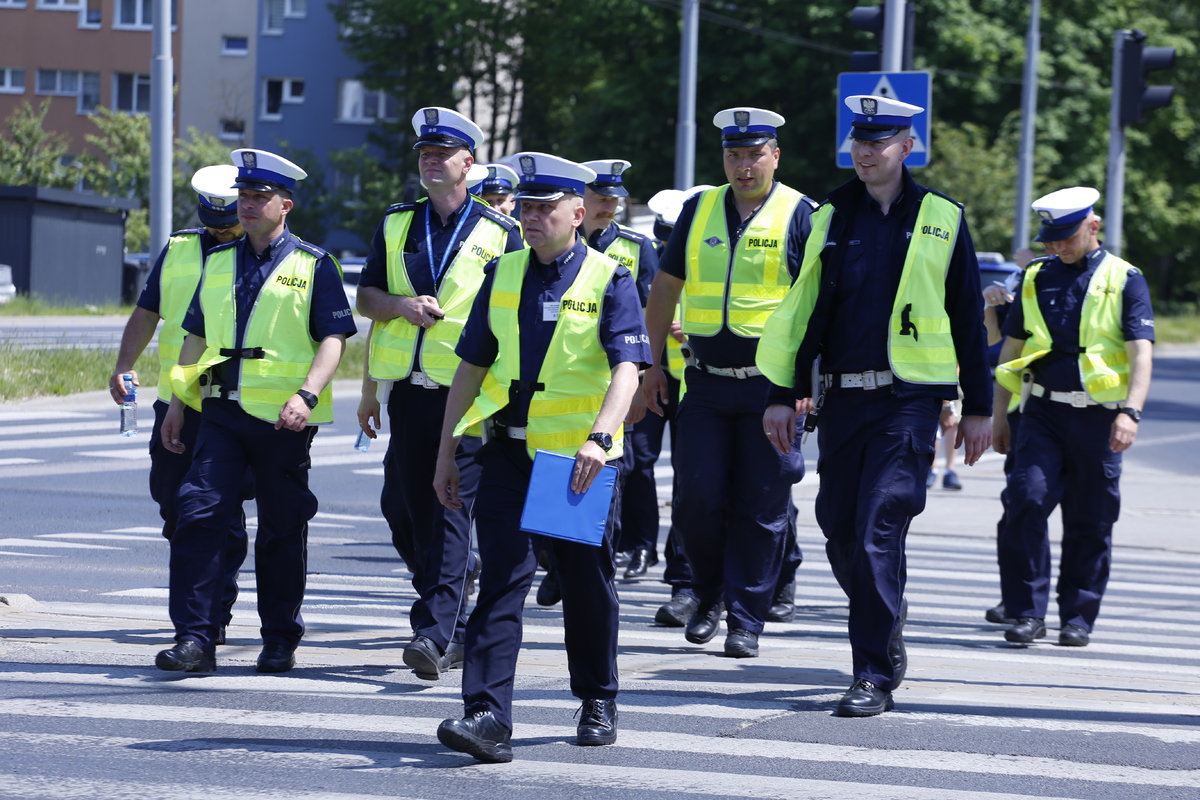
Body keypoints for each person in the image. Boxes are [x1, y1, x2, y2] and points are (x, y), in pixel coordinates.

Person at [757, 95, 992, 716]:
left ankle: (870, 675)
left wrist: (978, 407)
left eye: (879, 141)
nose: (866, 151)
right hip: (841, 403)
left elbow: (968, 316)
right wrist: (784, 394)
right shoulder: (831, 213)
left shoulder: (942, 216)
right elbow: (806, 309)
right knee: (840, 528)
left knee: (877, 527)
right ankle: (886, 614)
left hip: (908, 402)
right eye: (859, 140)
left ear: (906, 147)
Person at [432, 153, 650, 763]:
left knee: (583, 581)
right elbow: (470, 368)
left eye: (544, 208)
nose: (530, 218)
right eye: (525, 207)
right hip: (505, 450)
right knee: (502, 578)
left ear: (577, 214)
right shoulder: (502, 273)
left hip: (572, 459)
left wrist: (600, 437)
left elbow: (628, 368)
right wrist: (447, 451)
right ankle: (486, 714)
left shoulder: (611, 277)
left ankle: (597, 697)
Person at [155, 148, 356, 674]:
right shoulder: (218, 262)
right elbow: (194, 336)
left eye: (258, 197)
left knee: (281, 529)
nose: (246, 205)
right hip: (219, 411)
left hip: (283, 420)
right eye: (243, 196)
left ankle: (280, 638)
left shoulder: (315, 264)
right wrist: (178, 402)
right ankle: (196, 638)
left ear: (284, 205)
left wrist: (307, 395)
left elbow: (334, 338)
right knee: (198, 515)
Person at [355, 108, 524, 682]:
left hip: (469, 393)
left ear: (467, 164)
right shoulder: (398, 222)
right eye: (424, 153)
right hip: (408, 389)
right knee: (405, 511)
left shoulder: (501, 232)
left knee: (449, 505)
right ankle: (448, 590)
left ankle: (436, 630)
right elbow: (367, 298)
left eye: (442, 154)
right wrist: (400, 306)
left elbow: (516, 316)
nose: (430, 161)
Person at [641, 108, 813, 659]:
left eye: (754, 154)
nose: (742, 166)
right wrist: (649, 366)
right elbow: (665, 288)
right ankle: (709, 592)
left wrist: (807, 380)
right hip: (705, 384)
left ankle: (746, 619)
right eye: (733, 155)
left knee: (761, 509)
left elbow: (817, 305)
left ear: (775, 156)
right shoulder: (700, 208)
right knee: (696, 500)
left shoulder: (801, 214)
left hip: (772, 389)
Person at [992, 187, 1153, 647]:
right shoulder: (1035, 276)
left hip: (1100, 418)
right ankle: (1026, 613)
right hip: (1041, 411)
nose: (1055, 246)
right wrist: (1000, 415)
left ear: (1093, 227)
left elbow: (1141, 353)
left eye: (1065, 236)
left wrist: (1131, 412)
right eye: (1050, 238)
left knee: (1091, 520)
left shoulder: (1126, 279)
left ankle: (1077, 617)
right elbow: (1013, 348)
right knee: (1025, 501)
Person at [109, 165, 252, 647]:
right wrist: (123, 364)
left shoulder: (260, 255)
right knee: (174, 504)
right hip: (176, 400)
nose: (220, 233)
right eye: (213, 225)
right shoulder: (178, 248)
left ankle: (213, 600)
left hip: (232, 402)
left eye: (228, 225)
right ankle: (204, 586)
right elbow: (147, 311)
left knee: (218, 507)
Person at [580, 159, 659, 579]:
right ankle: (568, 552)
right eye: (601, 197)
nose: (609, 206)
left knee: (635, 465)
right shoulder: (558, 241)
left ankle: (640, 545)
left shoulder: (636, 246)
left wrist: (642, 383)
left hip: (623, 376)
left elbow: (647, 318)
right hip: (573, 376)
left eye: (614, 199)